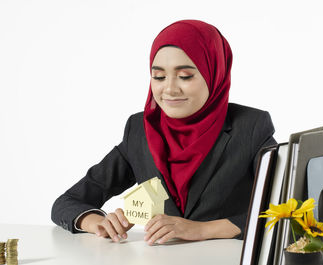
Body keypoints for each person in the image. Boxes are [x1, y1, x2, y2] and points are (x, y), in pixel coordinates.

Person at [51, 19, 276, 245]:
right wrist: (96, 222)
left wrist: (202, 230)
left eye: (185, 76)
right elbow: (67, 202)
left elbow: (289, 211)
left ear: (214, 73)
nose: (169, 89)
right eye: (158, 77)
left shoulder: (251, 128)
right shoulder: (140, 129)